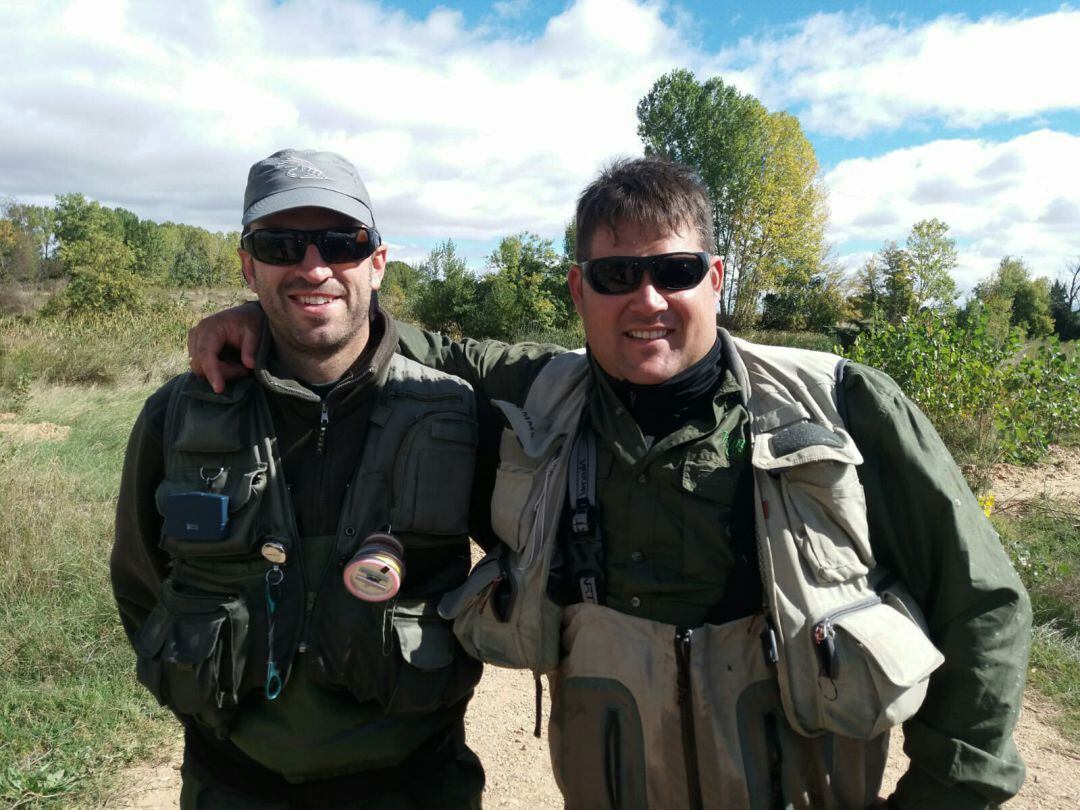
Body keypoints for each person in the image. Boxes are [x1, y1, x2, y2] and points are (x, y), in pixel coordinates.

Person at [189, 157, 1031, 809]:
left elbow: (982, 601)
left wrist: (945, 797)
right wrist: (261, 314)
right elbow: (392, 340)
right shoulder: (533, 396)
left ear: (718, 277)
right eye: (616, 276)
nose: (648, 299)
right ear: (578, 289)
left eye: (675, 269)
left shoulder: (845, 402)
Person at [112, 148, 487, 809]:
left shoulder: (454, 411)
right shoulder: (176, 415)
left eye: (342, 242)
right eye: (282, 243)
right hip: (230, 786)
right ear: (248, 265)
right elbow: (141, 584)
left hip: (416, 787)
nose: (314, 266)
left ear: (377, 261)